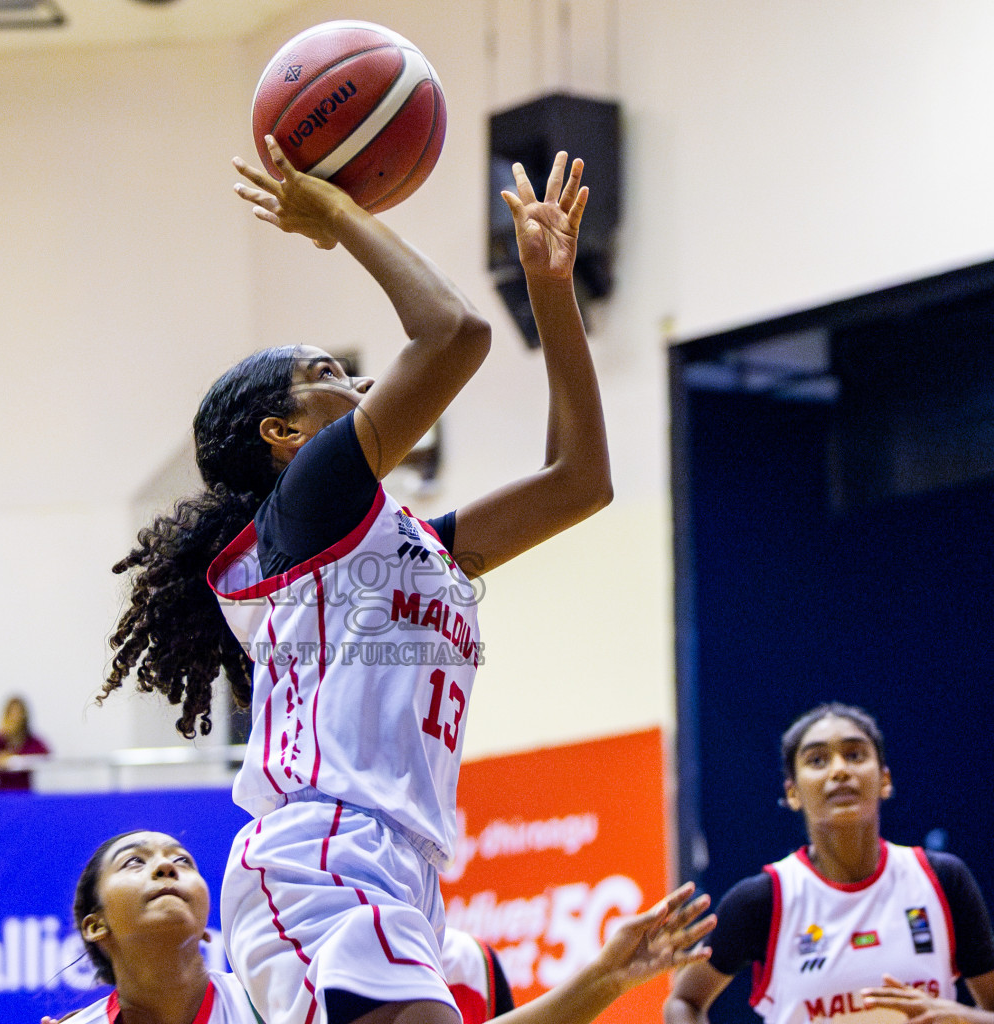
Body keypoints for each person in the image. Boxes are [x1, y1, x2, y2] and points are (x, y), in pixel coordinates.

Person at [103, 135, 612, 1024]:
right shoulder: (306, 506)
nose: (367, 382)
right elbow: (454, 333)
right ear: (282, 435)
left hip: (400, 863)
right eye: (330, 376)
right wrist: (336, 211)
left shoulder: (389, 540)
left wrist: (553, 290)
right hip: (322, 852)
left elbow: (579, 482)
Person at [41, 830, 714, 1024]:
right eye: (139, 863)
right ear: (95, 925)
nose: (167, 869)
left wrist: (603, 978)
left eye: (182, 862)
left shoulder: (269, 998)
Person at [664, 702, 994, 1024]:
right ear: (793, 792)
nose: (838, 770)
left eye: (854, 755)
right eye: (817, 760)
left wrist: (961, 1017)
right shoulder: (764, 899)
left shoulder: (941, 879)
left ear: (884, 779)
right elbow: (683, 1000)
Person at [0, 695, 50, 793]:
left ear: (25, 715)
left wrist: (13, 758)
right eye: (12, 713)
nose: (15, 717)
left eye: (19, 712)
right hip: (1, 795)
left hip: (25, 794)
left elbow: (46, 753)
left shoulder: (31, 740)